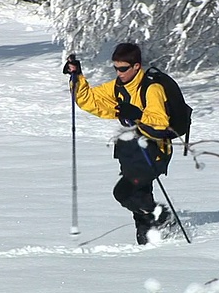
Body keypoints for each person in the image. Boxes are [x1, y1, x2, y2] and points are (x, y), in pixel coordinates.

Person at [63, 43, 176, 245]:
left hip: (155, 152)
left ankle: (162, 217)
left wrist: (138, 115)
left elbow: (161, 124)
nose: (119, 72)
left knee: (123, 192)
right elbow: (91, 101)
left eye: (123, 68)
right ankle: (148, 240)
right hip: (133, 152)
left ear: (136, 67)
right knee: (140, 195)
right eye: (116, 68)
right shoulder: (118, 87)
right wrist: (77, 77)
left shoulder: (152, 89)